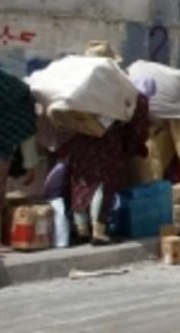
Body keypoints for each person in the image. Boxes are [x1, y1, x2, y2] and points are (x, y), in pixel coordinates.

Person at [58, 76, 151, 244]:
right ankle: (98, 231)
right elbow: (138, 126)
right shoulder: (123, 91)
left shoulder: (79, 88)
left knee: (81, 181)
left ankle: (81, 229)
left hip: (81, 141)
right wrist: (130, 147)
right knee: (103, 185)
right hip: (107, 144)